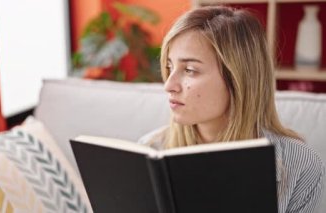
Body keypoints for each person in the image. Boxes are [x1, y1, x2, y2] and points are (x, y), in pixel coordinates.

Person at [138, 5, 324, 213]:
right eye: (169, 67)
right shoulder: (148, 152)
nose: (169, 85)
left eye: (190, 70)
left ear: (238, 80)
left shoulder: (299, 166)